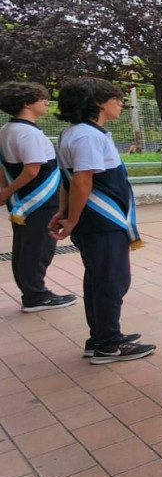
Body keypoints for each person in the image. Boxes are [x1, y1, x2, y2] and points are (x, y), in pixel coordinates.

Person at [52, 78, 154, 364]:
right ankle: (108, 344)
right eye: (116, 98)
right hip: (101, 221)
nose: (121, 103)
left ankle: (100, 336)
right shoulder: (87, 136)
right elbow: (82, 181)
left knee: (98, 278)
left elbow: (67, 180)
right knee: (112, 280)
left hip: (94, 221)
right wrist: (70, 219)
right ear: (97, 103)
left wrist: (64, 212)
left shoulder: (75, 133)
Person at [0, 82, 76, 313]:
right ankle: (36, 295)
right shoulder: (27, 133)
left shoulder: (7, 129)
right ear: (26, 103)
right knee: (38, 247)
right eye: (42, 99)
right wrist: (6, 192)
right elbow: (32, 169)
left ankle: (31, 290)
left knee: (25, 246)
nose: (46, 103)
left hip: (23, 201)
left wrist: (6, 190)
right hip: (39, 200)